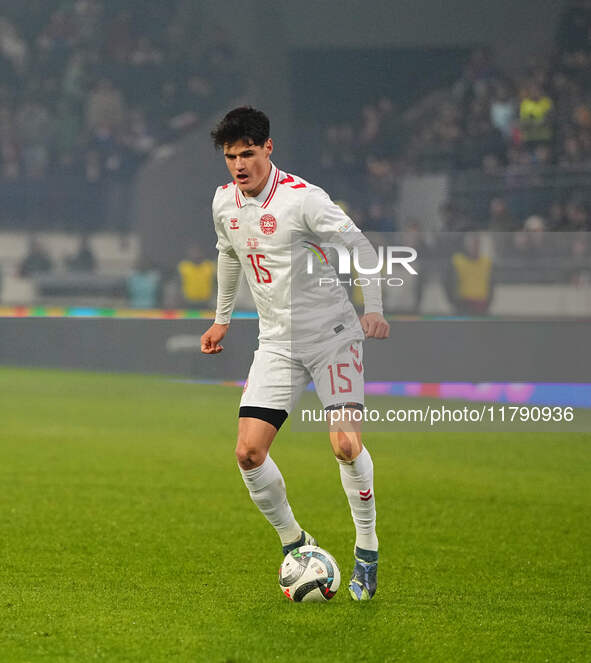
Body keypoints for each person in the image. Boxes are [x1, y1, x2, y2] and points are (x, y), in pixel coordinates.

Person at [200, 107, 390, 601]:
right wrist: (222, 317)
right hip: (277, 344)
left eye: (247, 153)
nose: (238, 165)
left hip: (333, 338)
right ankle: (295, 544)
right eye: (230, 156)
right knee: (247, 453)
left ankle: (366, 551)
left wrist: (374, 308)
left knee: (345, 446)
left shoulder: (305, 201)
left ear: (268, 148)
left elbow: (362, 249)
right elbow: (227, 252)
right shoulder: (224, 202)